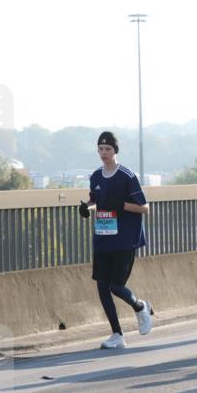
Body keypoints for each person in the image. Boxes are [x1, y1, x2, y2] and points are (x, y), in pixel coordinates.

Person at [78, 131, 153, 349]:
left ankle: (140, 306)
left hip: (124, 239)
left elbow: (144, 208)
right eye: (100, 149)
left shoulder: (126, 176)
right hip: (103, 238)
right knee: (102, 287)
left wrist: (119, 205)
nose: (104, 153)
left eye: (108, 149)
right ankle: (117, 334)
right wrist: (86, 208)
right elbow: (94, 200)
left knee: (116, 286)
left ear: (115, 150)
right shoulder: (96, 176)